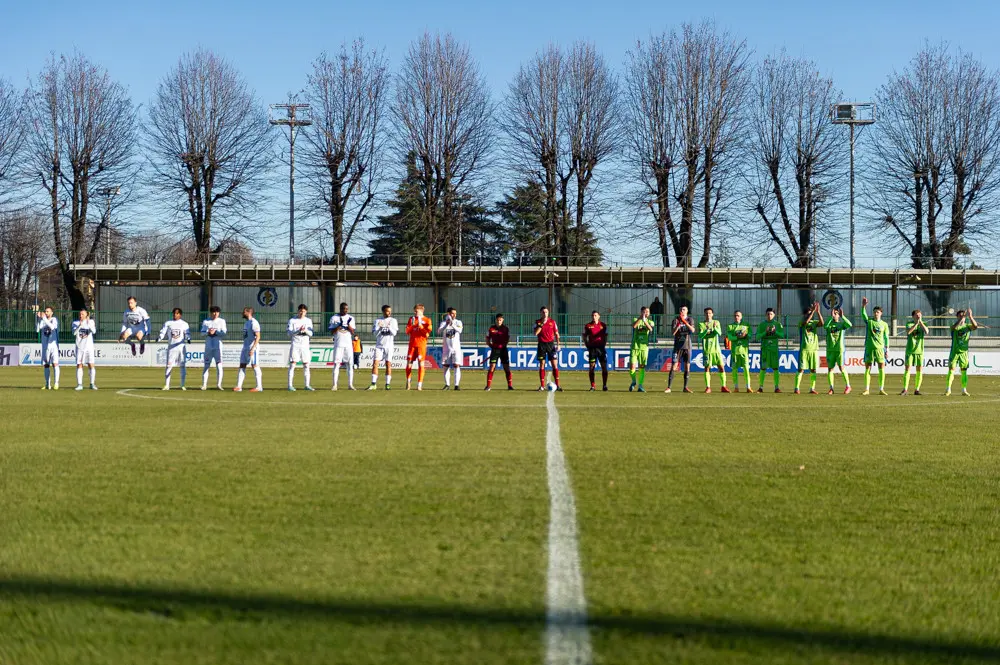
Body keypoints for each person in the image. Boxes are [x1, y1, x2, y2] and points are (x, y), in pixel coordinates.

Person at [946, 307, 980, 396]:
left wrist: (971, 316)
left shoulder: (967, 327)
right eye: (960, 316)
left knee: (964, 371)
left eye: (963, 316)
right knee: (951, 370)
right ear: (957, 317)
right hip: (954, 351)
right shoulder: (954, 326)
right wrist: (960, 320)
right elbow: (954, 328)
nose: (962, 317)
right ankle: (948, 389)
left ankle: (964, 390)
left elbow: (975, 326)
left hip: (964, 353)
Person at [860, 297, 889, 396]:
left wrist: (887, 349)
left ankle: (881, 389)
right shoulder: (869, 322)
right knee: (868, 368)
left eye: (878, 312)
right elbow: (863, 315)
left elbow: (886, 337)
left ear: (881, 313)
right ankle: (867, 389)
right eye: (874, 312)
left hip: (880, 348)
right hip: (869, 347)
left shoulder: (884, 324)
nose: (876, 313)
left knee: (881, 367)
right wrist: (863, 306)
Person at [158, 308, 191, 391]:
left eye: (176, 313)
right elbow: (163, 332)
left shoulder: (184, 324)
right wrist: (160, 338)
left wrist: (188, 338)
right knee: (169, 366)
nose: (175, 315)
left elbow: (187, 333)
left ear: (180, 314)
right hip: (171, 348)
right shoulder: (168, 323)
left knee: (182, 366)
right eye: (174, 313)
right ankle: (166, 385)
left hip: (181, 347)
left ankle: (182, 385)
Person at [795, 303, 824, 395]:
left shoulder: (814, 323)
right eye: (807, 313)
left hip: (814, 349)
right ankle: (796, 388)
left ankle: (812, 388)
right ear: (804, 315)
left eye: (810, 313)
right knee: (801, 369)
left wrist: (818, 312)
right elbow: (806, 322)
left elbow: (822, 323)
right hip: (804, 349)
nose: (809, 315)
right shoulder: (801, 323)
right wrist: (813, 312)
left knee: (813, 370)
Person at [666, 306, 695, 393]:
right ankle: (669, 387)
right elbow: (673, 333)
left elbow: (692, 330)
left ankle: (685, 387)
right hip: (677, 347)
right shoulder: (675, 320)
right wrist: (678, 325)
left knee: (687, 366)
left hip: (687, 346)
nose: (682, 311)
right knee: (674, 366)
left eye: (684, 309)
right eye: (681, 309)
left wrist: (685, 322)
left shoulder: (690, 319)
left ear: (687, 311)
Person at [369, 305, 399, 390]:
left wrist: (389, 327)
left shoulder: (393, 321)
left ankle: (387, 384)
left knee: (388, 364)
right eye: (387, 311)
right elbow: (375, 334)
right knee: (375, 363)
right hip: (379, 346)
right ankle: (373, 383)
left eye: (390, 311)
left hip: (389, 346)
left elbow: (394, 333)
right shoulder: (378, 320)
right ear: (383, 311)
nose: (389, 312)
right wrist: (379, 328)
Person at [699, 307, 729, 394]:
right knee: (707, 368)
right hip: (707, 349)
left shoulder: (716, 322)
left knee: (721, 367)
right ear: (704, 314)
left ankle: (723, 386)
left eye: (709, 313)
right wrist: (707, 330)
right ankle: (708, 387)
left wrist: (714, 328)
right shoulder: (702, 324)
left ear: (712, 314)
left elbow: (719, 333)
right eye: (706, 313)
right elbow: (701, 335)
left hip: (716, 350)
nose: (708, 315)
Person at [328, 302, 356, 391]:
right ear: (340, 309)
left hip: (348, 345)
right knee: (336, 364)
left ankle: (350, 385)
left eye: (347, 309)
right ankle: (335, 385)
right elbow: (332, 332)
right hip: (338, 344)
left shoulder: (351, 318)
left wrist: (348, 326)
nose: (345, 310)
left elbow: (352, 332)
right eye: (344, 309)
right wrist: (338, 326)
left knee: (349, 364)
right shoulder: (334, 318)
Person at [286, 304, 314, 392]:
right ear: (298, 311)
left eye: (304, 311)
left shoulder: (308, 321)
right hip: (295, 344)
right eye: (300, 311)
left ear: (306, 312)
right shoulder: (292, 320)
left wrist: (305, 330)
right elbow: (289, 334)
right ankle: (290, 385)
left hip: (305, 346)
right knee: (293, 364)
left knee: (306, 365)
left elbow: (311, 334)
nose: (302, 312)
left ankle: (307, 385)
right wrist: (298, 330)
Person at [824, 308, 852, 395]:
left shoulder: (842, 324)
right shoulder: (829, 324)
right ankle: (831, 388)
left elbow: (850, 324)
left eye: (836, 313)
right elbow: (825, 326)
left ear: (839, 315)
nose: (835, 314)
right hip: (830, 349)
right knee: (830, 369)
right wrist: (830, 317)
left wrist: (843, 316)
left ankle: (848, 386)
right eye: (834, 313)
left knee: (841, 367)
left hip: (839, 349)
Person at [756, 308, 785, 393]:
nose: (769, 316)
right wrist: (765, 332)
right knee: (763, 368)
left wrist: (775, 332)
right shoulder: (762, 325)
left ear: (774, 315)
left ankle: (776, 387)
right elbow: (757, 337)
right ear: (766, 315)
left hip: (774, 350)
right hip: (765, 350)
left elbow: (782, 335)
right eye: (768, 314)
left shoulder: (778, 324)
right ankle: (760, 387)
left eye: (771, 314)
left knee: (776, 368)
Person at [405, 304, 433, 390]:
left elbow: (427, 334)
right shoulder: (411, 319)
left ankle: (419, 384)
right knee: (409, 364)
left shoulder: (427, 320)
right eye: (414, 311)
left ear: (422, 311)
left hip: (421, 345)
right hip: (412, 345)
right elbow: (407, 331)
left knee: (421, 364)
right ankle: (408, 381)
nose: (415, 312)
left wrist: (421, 327)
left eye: (416, 311)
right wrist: (413, 325)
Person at [235, 306, 263, 392]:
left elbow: (258, 337)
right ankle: (239, 386)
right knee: (242, 365)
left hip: (252, 347)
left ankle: (259, 387)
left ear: (248, 312)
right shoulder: (246, 323)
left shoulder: (254, 322)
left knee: (254, 365)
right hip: (245, 346)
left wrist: (253, 349)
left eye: (244, 312)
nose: (242, 313)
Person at [534, 306, 561, 391]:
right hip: (541, 345)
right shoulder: (537, 322)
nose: (545, 313)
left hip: (551, 345)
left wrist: (558, 344)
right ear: (540, 313)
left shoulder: (552, 322)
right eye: (543, 312)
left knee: (554, 364)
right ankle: (542, 386)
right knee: (542, 364)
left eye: (546, 312)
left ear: (548, 313)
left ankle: (558, 385)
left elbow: (557, 334)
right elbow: (536, 333)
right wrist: (541, 324)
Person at [901, 309, 928, 396]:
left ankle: (917, 389)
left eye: (920, 315)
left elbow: (927, 331)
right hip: (910, 350)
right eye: (917, 315)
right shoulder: (909, 323)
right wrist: (916, 324)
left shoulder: (924, 324)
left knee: (919, 369)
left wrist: (920, 323)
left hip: (920, 351)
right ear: (913, 316)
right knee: (907, 369)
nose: (918, 316)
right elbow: (909, 332)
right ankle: (905, 389)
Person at [201, 306, 227, 391]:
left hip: (218, 346)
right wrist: (208, 332)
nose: (215, 314)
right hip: (208, 346)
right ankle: (204, 385)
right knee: (206, 365)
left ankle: (219, 384)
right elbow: (202, 333)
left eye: (217, 312)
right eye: (214, 312)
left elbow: (224, 333)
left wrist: (215, 332)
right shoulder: (206, 321)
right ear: (211, 313)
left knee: (219, 364)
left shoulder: (221, 321)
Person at [485, 313, 513, 391]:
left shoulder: (506, 329)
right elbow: (487, 339)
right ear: (496, 320)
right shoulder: (491, 329)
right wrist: (492, 347)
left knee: (506, 368)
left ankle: (510, 386)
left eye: (500, 320)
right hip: (495, 350)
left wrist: (503, 346)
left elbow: (508, 339)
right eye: (498, 320)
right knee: (492, 367)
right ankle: (488, 386)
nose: (499, 321)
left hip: (503, 350)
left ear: (502, 320)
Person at [629, 306, 654, 392]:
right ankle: (633, 381)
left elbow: (650, 329)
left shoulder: (650, 321)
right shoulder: (636, 319)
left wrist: (645, 321)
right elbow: (634, 326)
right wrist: (640, 319)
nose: (646, 313)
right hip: (635, 346)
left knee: (642, 367)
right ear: (641, 312)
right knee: (632, 366)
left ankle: (640, 385)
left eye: (647, 312)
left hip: (644, 348)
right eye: (644, 311)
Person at [726, 310, 752, 393]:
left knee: (746, 369)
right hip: (734, 351)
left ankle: (748, 387)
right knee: (734, 370)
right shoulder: (730, 326)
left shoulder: (746, 325)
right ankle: (736, 387)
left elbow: (750, 335)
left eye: (738, 315)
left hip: (744, 351)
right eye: (735, 316)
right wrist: (738, 337)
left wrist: (746, 335)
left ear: (741, 316)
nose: (736, 317)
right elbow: (729, 337)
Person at [583, 310, 609, 392]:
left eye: (595, 315)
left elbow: (605, 336)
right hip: (592, 349)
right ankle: (593, 386)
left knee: (604, 367)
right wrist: (587, 345)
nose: (594, 317)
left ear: (599, 316)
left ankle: (604, 385)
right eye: (593, 315)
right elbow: (584, 336)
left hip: (601, 349)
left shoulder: (603, 325)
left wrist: (604, 345)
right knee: (591, 367)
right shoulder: (588, 326)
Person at [439, 307, 464, 390]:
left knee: (456, 365)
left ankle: (456, 385)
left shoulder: (458, 322)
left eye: (455, 313)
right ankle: (447, 385)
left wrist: (452, 324)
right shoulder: (443, 323)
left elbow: (460, 330)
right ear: (448, 314)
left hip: (456, 348)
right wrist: (446, 324)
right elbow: (439, 331)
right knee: (446, 366)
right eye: (453, 313)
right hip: (447, 349)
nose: (454, 315)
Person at [72, 308, 97, 391]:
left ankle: (92, 383)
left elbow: (94, 331)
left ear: (86, 314)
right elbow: (74, 333)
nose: (81, 316)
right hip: (80, 347)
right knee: (79, 365)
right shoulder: (75, 323)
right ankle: (79, 384)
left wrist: (88, 323)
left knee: (91, 364)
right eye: (80, 314)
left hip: (89, 347)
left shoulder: (91, 322)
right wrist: (80, 325)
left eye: (82, 314)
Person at [36, 307, 60, 390]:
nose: (46, 313)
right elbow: (37, 329)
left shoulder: (54, 319)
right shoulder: (43, 320)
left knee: (55, 364)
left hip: (53, 346)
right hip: (45, 346)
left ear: (52, 312)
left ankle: (56, 383)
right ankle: (47, 384)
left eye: (48, 311)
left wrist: (44, 319)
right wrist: (38, 319)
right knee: (46, 365)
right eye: (45, 311)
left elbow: (52, 327)